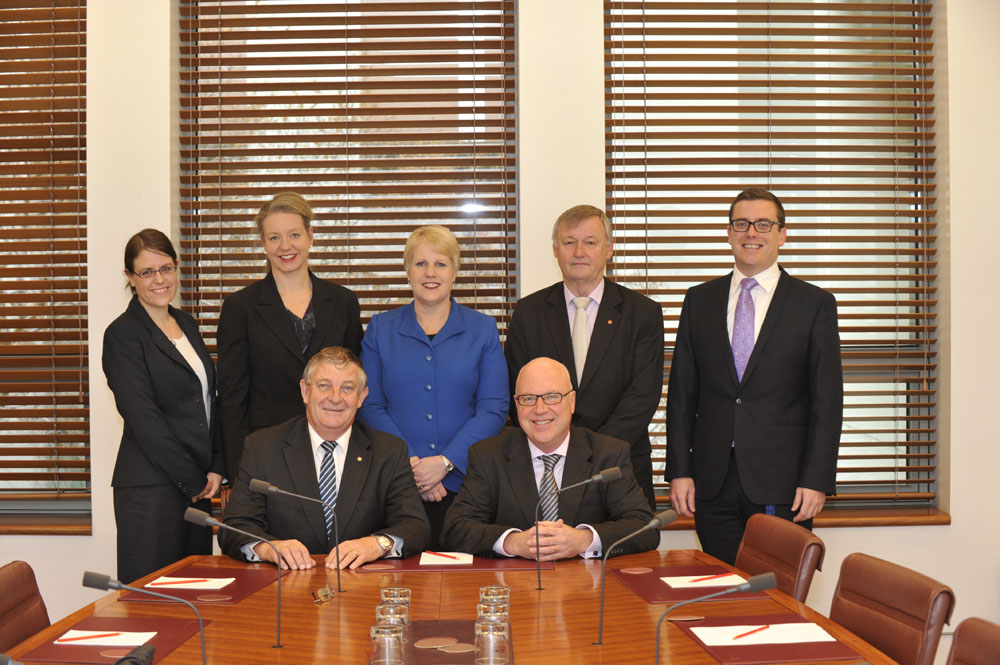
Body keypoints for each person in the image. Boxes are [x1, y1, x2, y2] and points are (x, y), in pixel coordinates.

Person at [665, 188, 843, 565]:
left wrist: (817, 479)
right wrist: (680, 471)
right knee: (721, 594)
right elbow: (682, 395)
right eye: (741, 224)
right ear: (729, 233)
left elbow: (827, 402)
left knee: (777, 597)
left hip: (784, 485)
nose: (751, 233)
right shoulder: (698, 300)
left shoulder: (814, 304)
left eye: (763, 224)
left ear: (782, 234)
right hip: (711, 484)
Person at [505, 204, 663, 511]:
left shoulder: (642, 313)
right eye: (569, 242)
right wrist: (564, 452)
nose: (579, 251)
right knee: (549, 554)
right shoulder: (529, 313)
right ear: (555, 250)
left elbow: (642, 397)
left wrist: (589, 454)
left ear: (609, 248)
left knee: (621, 555)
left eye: (590, 242)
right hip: (546, 467)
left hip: (620, 465)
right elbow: (519, 390)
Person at [359, 225, 508, 546]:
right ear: (407, 270)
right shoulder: (380, 329)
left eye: (440, 263)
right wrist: (412, 464)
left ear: (455, 272)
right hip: (395, 485)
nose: (430, 273)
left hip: (467, 485)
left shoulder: (483, 330)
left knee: (462, 585)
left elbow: (494, 408)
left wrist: (444, 462)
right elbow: (369, 405)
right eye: (420, 263)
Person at [219, 346, 430, 570]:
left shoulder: (389, 451)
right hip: (285, 587)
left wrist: (377, 544)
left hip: (362, 589)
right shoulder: (263, 447)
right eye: (324, 386)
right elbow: (235, 526)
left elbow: (415, 526)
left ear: (362, 397)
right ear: (305, 391)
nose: (335, 398)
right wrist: (269, 548)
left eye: (347, 388)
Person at [440, 357, 657, 560]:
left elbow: (645, 527)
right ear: (517, 405)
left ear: (571, 402)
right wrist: (512, 542)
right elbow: (454, 529)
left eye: (552, 397)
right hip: (515, 588)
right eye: (528, 399)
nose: (540, 409)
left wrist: (584, 540)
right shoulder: (488, 456)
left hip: (587, 589)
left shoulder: (608, 454)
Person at [102, 229, 225, 583]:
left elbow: (208, 401)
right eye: (147, 272)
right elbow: (144, 418)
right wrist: (194, 480)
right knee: (153, 600)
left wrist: (216, 466)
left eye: (166, 268)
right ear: (130, 277)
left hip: (196, 487)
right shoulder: (123, 334)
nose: (160, 280)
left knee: (195, 594)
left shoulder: (186, 323)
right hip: (151, 490)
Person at [217, 192, 363, 482]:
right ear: (262, 243)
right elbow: (232, 400)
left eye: (294, 234)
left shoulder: (344, 302)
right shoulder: (240, 308)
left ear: (310, 236)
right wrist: (238, 472)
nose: (285, 246)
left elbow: (355, 386)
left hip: (335, 452)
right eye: (274, 238)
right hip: (266, 456)